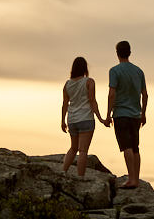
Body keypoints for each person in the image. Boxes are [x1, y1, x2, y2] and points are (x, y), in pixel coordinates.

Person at [106, 40, 147, 188]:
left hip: (121, 114)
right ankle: (136, 178)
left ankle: (132, 179)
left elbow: (112, 94)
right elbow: (145, 94)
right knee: (135, 147)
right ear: (130, 52)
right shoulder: (139, 71)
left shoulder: (114, 71)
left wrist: (108, 114)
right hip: (136, 115)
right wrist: (143, 113)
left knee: (126, 146)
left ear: (117, 53)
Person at [61, 56, 109, 177]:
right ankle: (80, 178)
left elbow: (65, 104)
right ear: (85, 68)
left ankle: (63, 173)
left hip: (72, 119)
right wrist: (100, 118)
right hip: (86, 118)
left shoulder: (67, 84)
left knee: (73, 148)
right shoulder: (89, 81)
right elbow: (93, 101)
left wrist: (62, 121)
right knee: (83, 151)